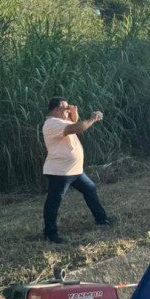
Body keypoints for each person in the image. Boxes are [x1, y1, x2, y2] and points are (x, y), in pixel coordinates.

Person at [41, 97, 112, 244]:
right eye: (65, 108)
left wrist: (73, 113)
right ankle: (50, 234)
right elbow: (78, 127)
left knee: (90, 189)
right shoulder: (52, 123)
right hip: (60, 172)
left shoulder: (61, 121)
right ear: (56, 109)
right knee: (54, 201)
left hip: (74, 170)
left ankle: (101, 219)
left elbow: (74, 123)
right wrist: (93, 119)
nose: (68, 110)